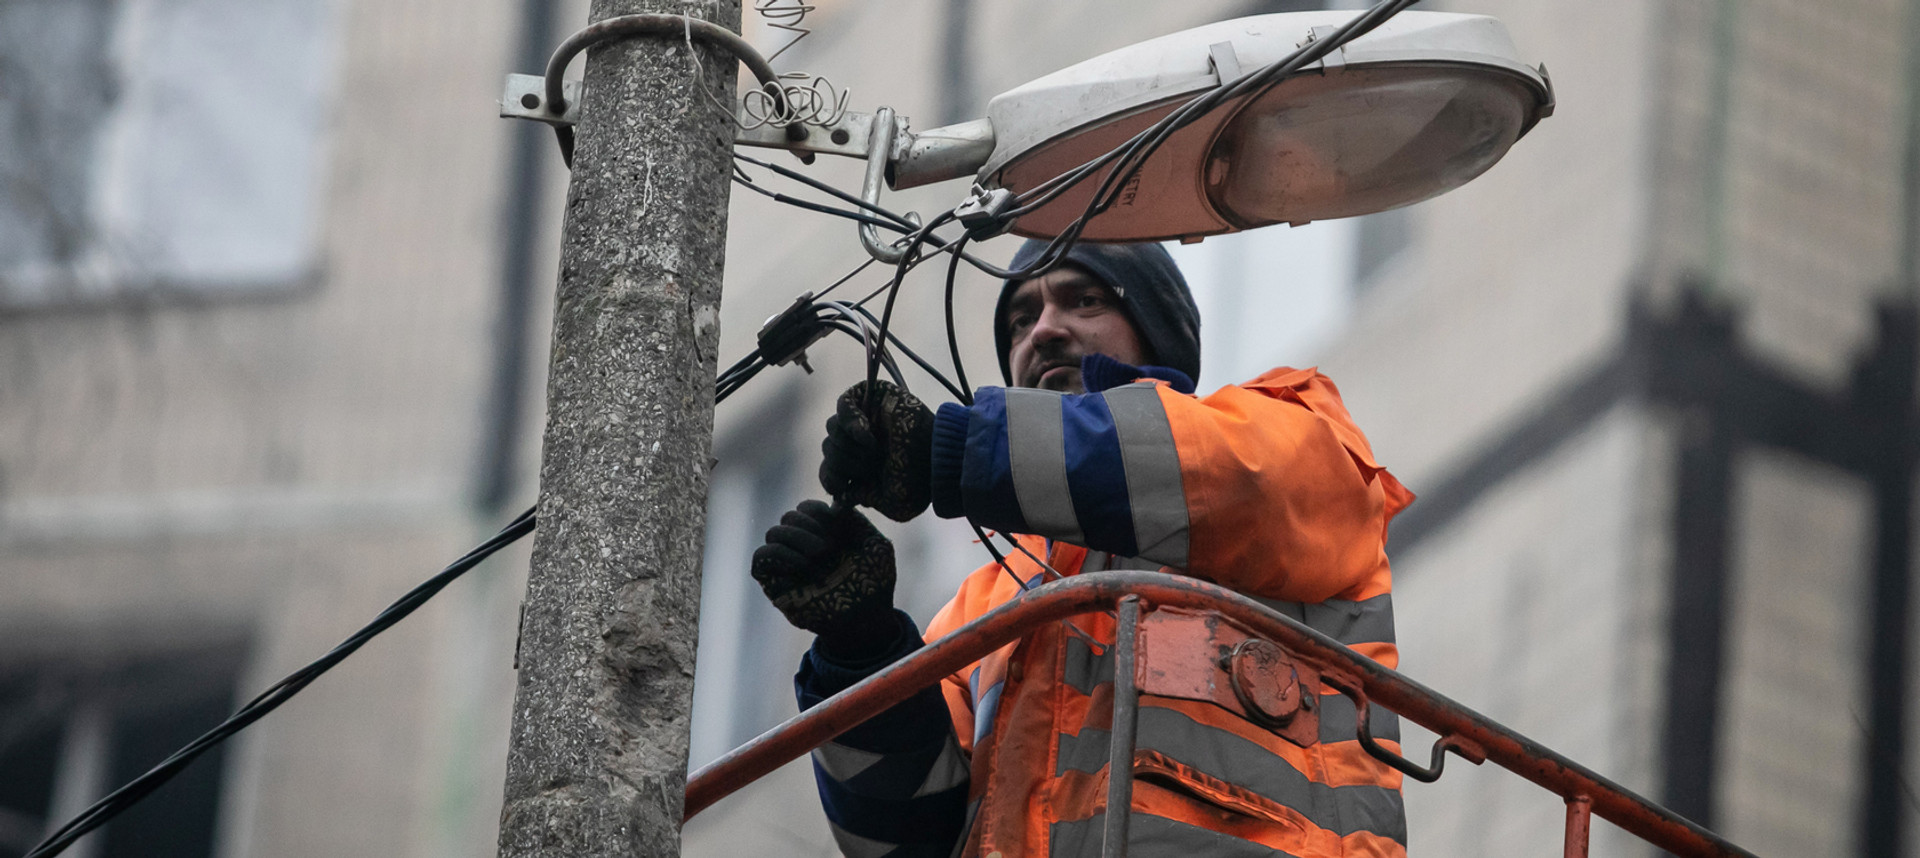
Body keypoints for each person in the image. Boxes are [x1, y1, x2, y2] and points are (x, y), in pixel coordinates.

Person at [749, 239, 1415, 858]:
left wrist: (954, 453)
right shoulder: (984, 606)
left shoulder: (1296, 431)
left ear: (1155, 331)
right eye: (1020, 320)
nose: (1042, 330)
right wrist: (861, 650)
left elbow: (1222, 473)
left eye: (1084, 300)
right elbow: (909, 842)